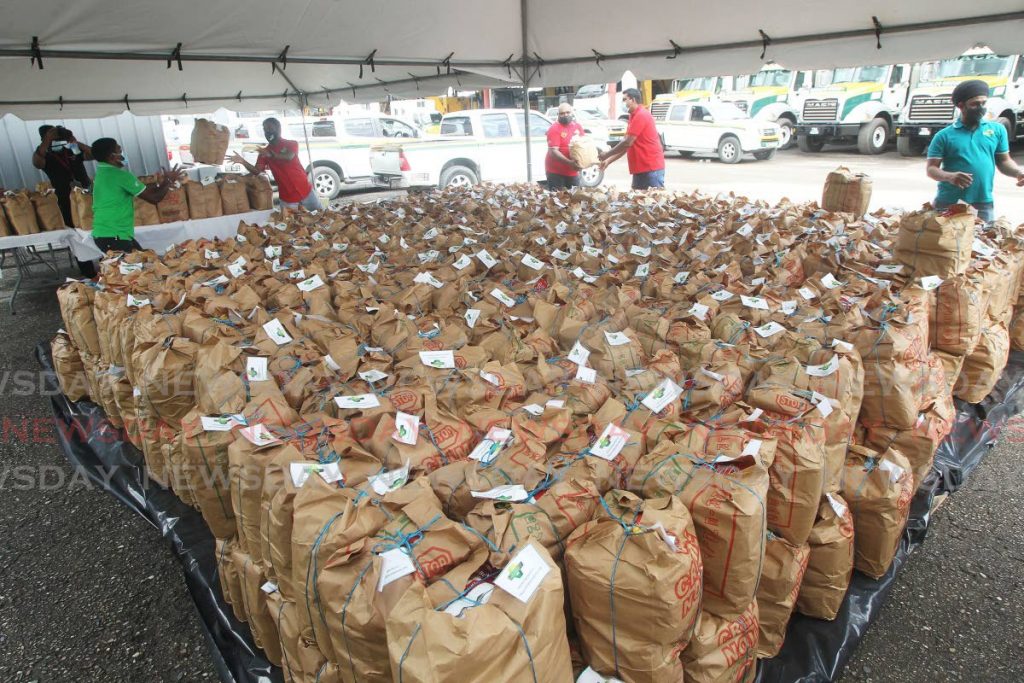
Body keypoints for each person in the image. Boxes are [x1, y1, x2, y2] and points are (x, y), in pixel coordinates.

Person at [926, 79, 1024, 222]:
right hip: (949, 202)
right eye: (975, 104)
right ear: (961, 105)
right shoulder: (944, 136)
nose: (980, 108)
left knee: (983, 242)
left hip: (982, 202)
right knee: (945, 243)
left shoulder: (997, 130)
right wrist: (950, 177)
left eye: (983, 103)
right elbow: (931, 169)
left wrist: (1018, 172)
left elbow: (1004, 161)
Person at [89, 137, 184, 253]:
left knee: (145, 262)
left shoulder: (102, 173)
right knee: (140, 267)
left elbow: (146, 191)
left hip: (107, 234)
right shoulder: (120, 176)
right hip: (115, 235)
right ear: (112, 157)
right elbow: (154, 198)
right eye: (119, 151)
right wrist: (168, 181)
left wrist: (163, 183)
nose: (123, 156)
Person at [228, 117, 322, 211]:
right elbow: (257, 171)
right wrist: (243, 161)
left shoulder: (291, 144)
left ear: (278, 129)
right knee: (290, 224)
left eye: (270, 128)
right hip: (287, 197)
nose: (267, 132)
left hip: (306, 190)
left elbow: (289, 156)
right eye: (265, 129)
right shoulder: (264, 152)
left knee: (322, 216)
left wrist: (271, 155)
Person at [599, 88, 665, 190]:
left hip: (651, 168)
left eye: (625, 99)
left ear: (633, 100)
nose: (623, 103)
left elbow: (627, 143)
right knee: (637, 201)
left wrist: (607, 154)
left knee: (653, 201)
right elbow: (626, 145)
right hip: (640, 168)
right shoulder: (633, 116)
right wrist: (608, 161)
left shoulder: (641, 115)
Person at [31, 125, 92, 227]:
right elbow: (37, 162)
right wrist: (47, 139)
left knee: (91, 222)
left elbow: (95, 154)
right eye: (52, 135)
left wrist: (75, 142)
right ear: (44, 139)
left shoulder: (72, 150)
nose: (56, 138)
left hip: (85, 193)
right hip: (65, 198)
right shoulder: (46, 156)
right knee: (72, 224)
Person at [545, 103, 586, 189]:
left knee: (575, 199)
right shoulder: (554, 129)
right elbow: (553, 152)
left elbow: (583, 146)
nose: (565, 115)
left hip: (573, 172)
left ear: (572, 113)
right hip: (556, 172)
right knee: (557, 200)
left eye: (568, 112)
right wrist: (569, 163)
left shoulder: (577, 127)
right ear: (558, 115)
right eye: (562, 113)